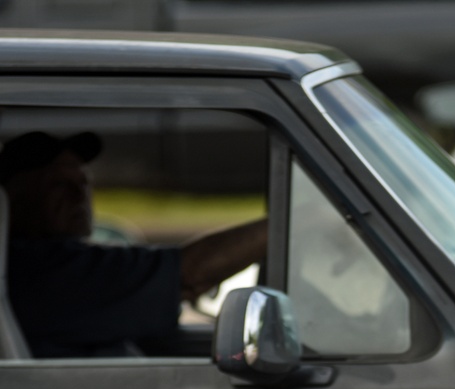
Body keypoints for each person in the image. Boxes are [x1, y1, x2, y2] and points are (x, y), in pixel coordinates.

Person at [2, 130, 267, 357]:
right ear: (11, 201)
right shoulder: (42, 272)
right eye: (58, 185)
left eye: (83, 183)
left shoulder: (55, 264)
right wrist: (290, 221)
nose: (79, 195)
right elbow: (190, 274)